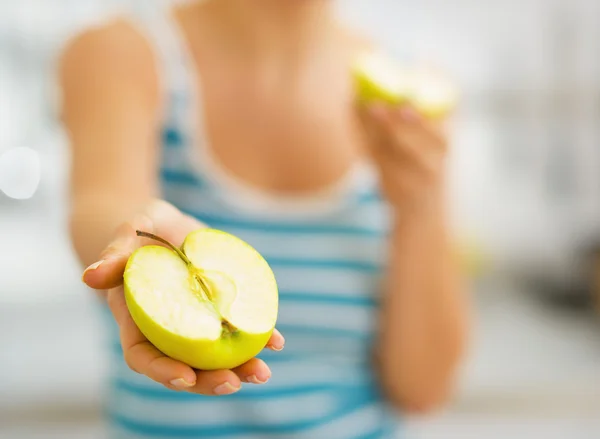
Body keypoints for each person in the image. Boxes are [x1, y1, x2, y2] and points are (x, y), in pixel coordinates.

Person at [60, 0, 469, 437]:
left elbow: (423, 389)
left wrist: (418, 205)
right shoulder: (128, 52)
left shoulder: (401, 94)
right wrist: (135, 238)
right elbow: (102, 205)